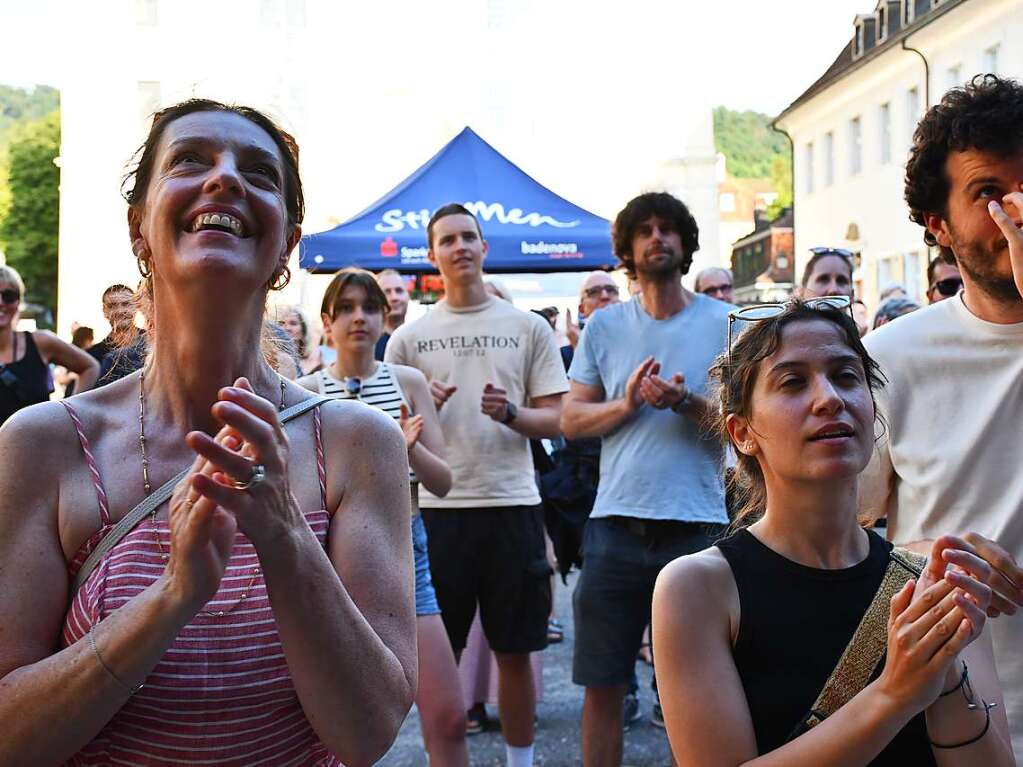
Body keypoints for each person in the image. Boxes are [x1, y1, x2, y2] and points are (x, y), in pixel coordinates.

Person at [0, 99, 415, 765]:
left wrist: (282, 531)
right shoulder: (44, 444)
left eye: (259, 172)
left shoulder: (359, 444)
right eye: (191, 160)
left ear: (286, 243)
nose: (224, 179)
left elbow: (367, 733)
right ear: (139, 226)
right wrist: (171, 596)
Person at [653, 297, 1013, 766]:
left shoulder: (933, 586)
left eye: (846, 376)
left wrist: (946, 681)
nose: (829, 399)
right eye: (793, 382)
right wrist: (895, 694)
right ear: (741, 432)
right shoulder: (699, 588)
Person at [859, 74, 1023, 757]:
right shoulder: (888, 360)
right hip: (960, 724)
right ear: (937, 226)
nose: (1016, 210)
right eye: (987, 192)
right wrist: (934, 559)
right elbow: (832, 546)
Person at [386, 203, 567, 767]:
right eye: (448, 240)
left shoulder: (528, 327)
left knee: (517, 649)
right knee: (442, 651)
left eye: (469, 237)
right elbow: (391, 433)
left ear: (484, 247)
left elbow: (557, 419)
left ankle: (521, 762)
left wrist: (512, 413)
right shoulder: (409, 341)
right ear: (433, 255)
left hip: (513, 503)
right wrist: (425, 410)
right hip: (440, 512)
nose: (460, 246)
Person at [561, 192, 731, 767]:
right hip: (614, 527)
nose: (657, 237)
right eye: (645, 230)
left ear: (684, 243)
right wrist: (627, 404)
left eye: (667, 229)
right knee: (603, 685)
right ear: (629, 249)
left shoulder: (721, 320)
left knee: (702, 690)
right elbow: (569, 420)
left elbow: (747, 426)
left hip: (699, 526)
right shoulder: (605, 325)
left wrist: (685, 402)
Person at [300, 267, 468, 767]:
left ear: (384, 316)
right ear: (327, 321)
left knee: (449, 717)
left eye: (369, 307)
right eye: (346, 308)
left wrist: (405, 449)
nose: (359, 318)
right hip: (324, 550)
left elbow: (443, 481)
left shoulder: (407, 381)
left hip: (403, 544)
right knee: (323, 727)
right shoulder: (306, 389)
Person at [0, 264, 99, 425]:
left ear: (19, 301)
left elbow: (90, 367)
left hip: (37, 447)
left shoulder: (41, 343)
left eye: (9, 295)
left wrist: (70, 414)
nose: (0, 302)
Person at [563, 271, 621, 355]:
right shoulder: (564, 357)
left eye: (611, 290)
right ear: (582, 309)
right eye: (594, 292)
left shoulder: (639, 343)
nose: (605, 296)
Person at [88, 284, 136, 366]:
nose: (120, 311)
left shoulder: (153, 343)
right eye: (112, 306)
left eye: (126, 304)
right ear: (104, 311)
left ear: (136, 306)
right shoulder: (93, 356)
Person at [375, 268, 410, 361]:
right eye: (387, 292)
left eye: (399, 291)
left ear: (408, 296)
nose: (394, 297)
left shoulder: (419, 339)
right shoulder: (369, 345)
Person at [278, 304, 324, 375]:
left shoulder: (316, 360)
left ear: (304, 330)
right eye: (282, 323)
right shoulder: (273, 358)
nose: (287, 328)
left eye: (293, 323)